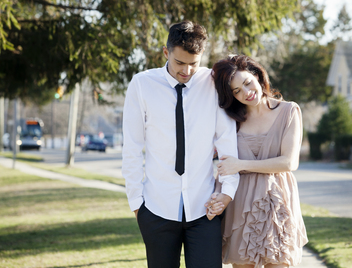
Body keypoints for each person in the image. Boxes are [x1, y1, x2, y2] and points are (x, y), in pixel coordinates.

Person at [122, 21, 240, 268]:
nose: (186, 71)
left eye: (193, 64)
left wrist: (228, 192)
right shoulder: (142, 85)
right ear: (166, 53)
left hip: (205, 209)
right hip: (156, 208)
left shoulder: (213, 83)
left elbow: (227, 143)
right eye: (180, 63)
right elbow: (132, 147)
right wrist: (137, 204)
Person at [207, 55, 308, 268]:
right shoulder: (230, 119)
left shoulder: (289, 111)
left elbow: (289, 163)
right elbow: (224, 162)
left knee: (279, 262)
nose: (246, 93)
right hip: (240, 204)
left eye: (247, 83)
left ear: (257, 75)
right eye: (236, 91)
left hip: (277, 200)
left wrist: (241, 165)